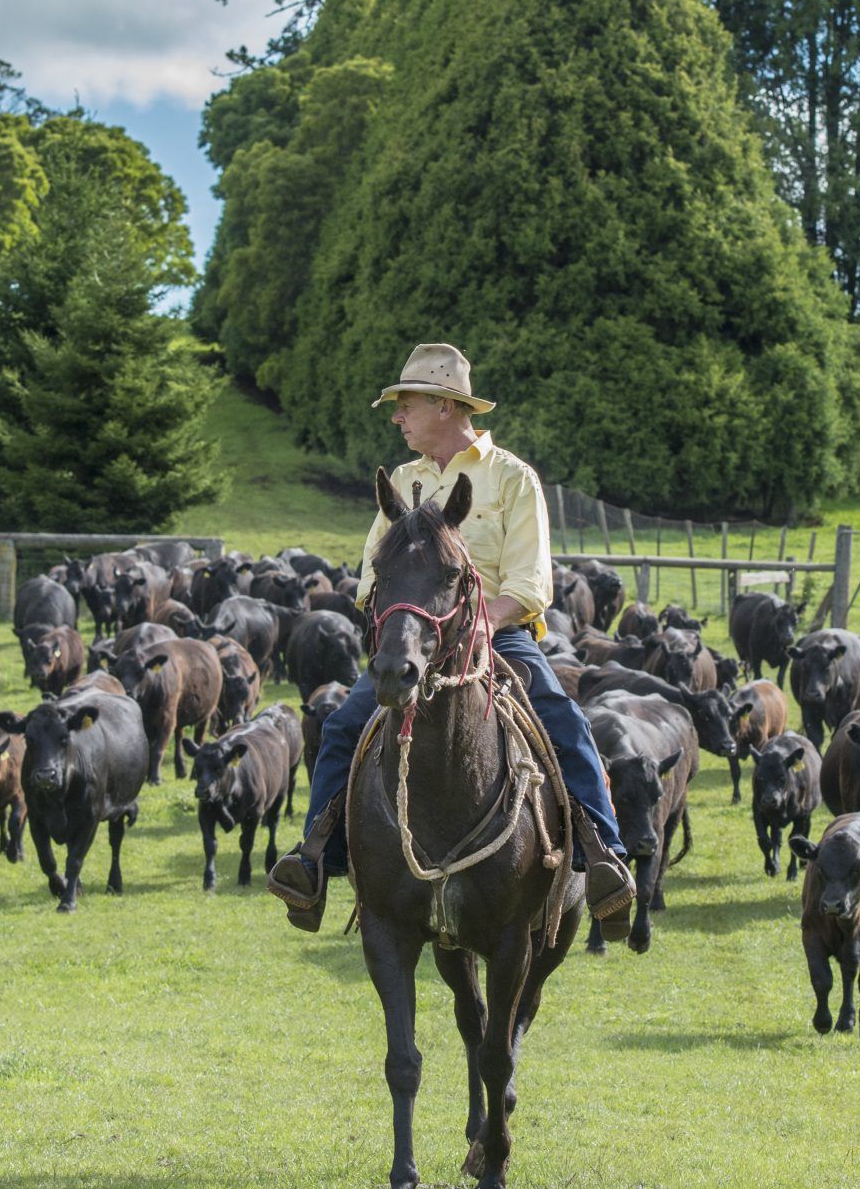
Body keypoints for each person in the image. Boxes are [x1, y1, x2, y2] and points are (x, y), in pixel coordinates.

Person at [266, 343, 635, 933]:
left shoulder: (512, 477)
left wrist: (467, 625)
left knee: (564, 720)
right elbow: (370, 576)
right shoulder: (402, 484)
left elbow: (530, 583)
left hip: (498, 638)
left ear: (443, 405)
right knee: (341, 727)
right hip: (410, 643)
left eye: (405, 405)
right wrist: (402, 624)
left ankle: (604, 858)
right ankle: (317, 860)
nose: (397, 417)